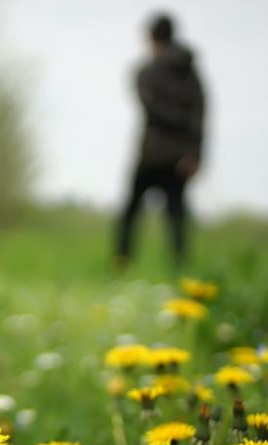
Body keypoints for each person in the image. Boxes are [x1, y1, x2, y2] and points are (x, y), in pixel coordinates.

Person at [115, 14, 205, 272]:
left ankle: (122, 262)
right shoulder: (192, 75)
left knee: (131, 212)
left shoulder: (145, 72)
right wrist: (194, 153)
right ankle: (179, 267)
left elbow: (150, 108)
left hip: (153, 152)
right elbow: (200, 113)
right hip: (181, 156)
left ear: (151, 37)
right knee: (176, 214)